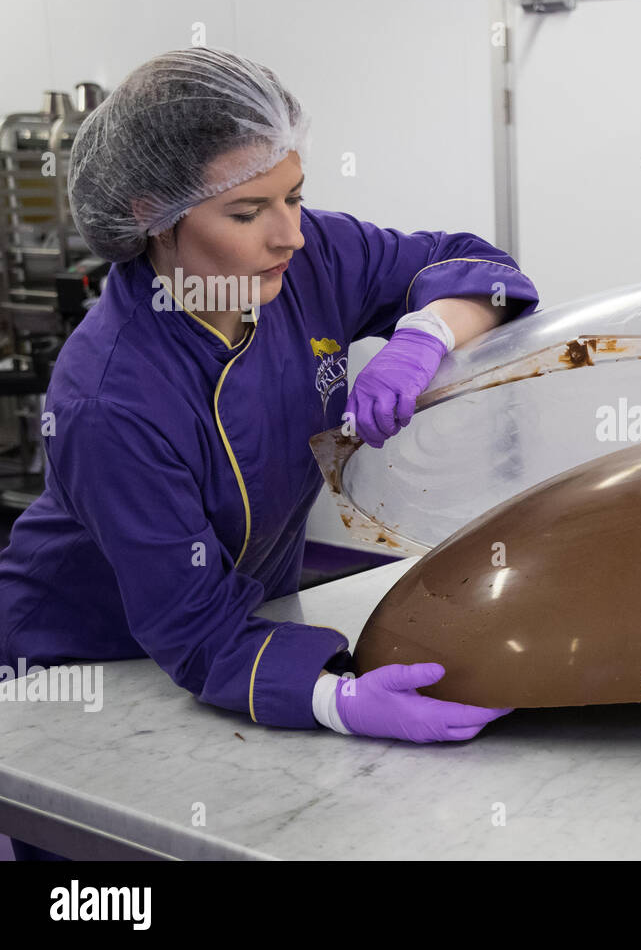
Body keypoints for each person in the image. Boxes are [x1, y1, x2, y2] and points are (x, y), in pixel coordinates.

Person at [0, 43, 539, 810]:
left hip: (243, 624)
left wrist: (427, 333)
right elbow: (192, 628)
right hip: (87, 659)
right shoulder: (110, 398)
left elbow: (477, 265)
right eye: (248, 212)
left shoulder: (307, 261)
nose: (289, 233)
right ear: (150, 216)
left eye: (294, 195)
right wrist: (334, 702)